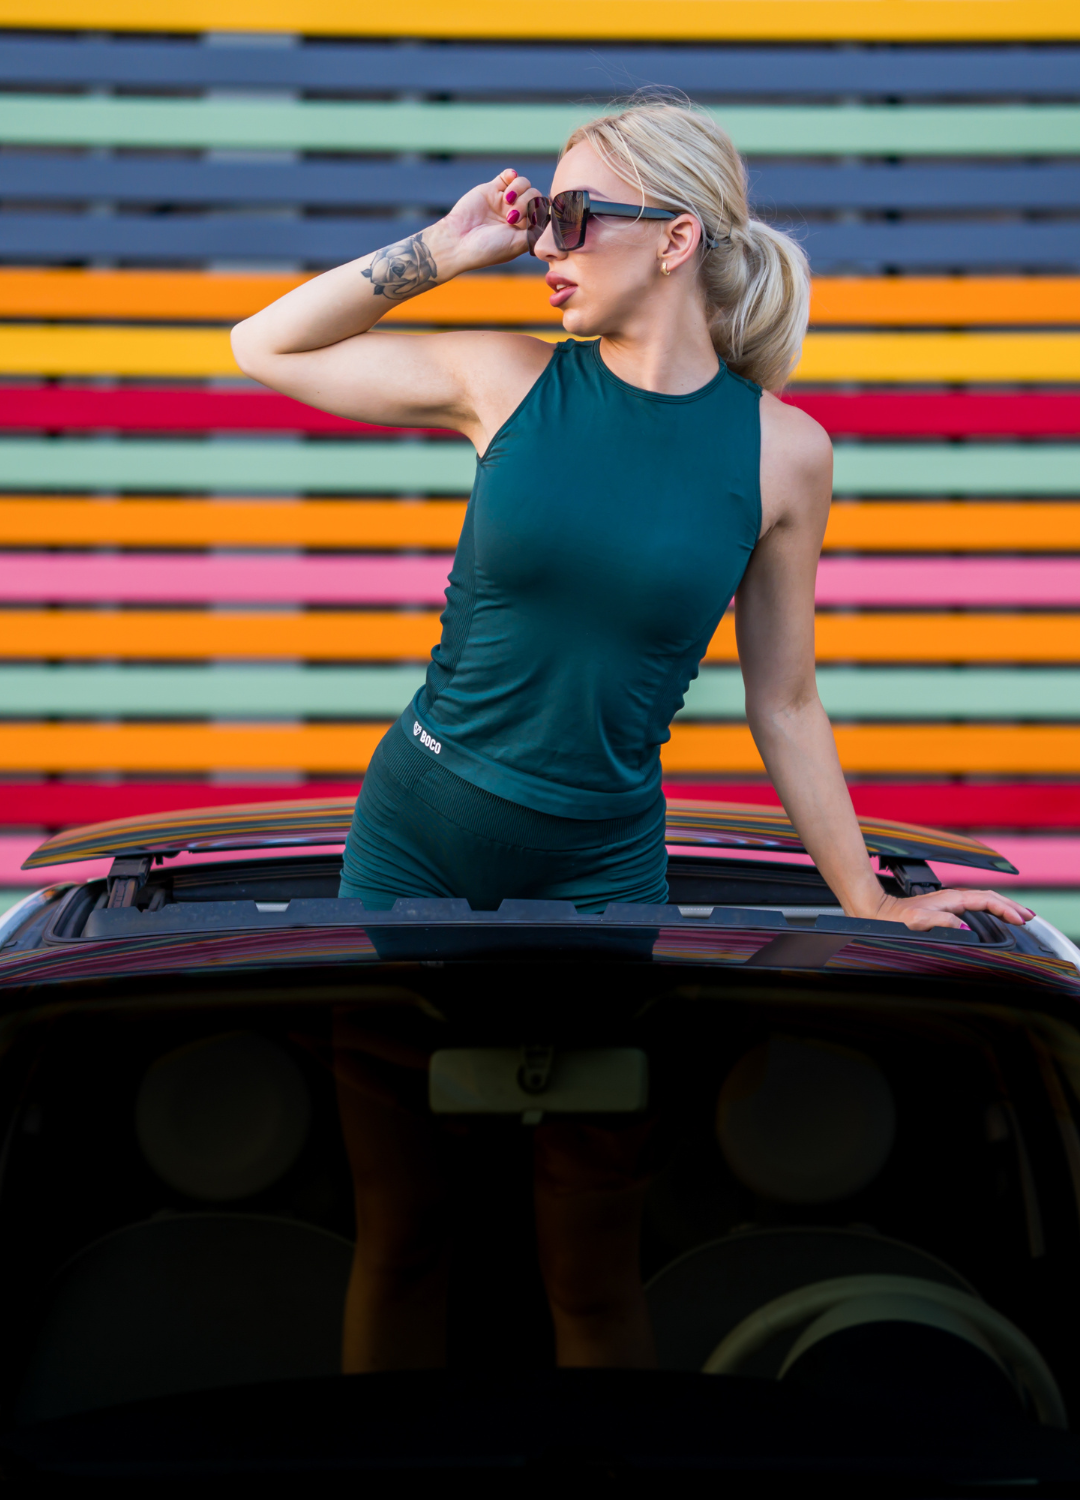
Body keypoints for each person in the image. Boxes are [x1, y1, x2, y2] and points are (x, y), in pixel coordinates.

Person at [232, 98, 1032, 1372]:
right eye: (538, 216)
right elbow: (262, 344)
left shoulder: (784, 453)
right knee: (405, 1237)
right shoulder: (504, 379)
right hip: (412, 848)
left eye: (570, 215)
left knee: (591, 1270)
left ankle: (605, 1465)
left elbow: (787, 701)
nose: (543, 242)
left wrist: (868, 900)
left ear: (675, 237)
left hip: (602, 879)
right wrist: (445, 250)